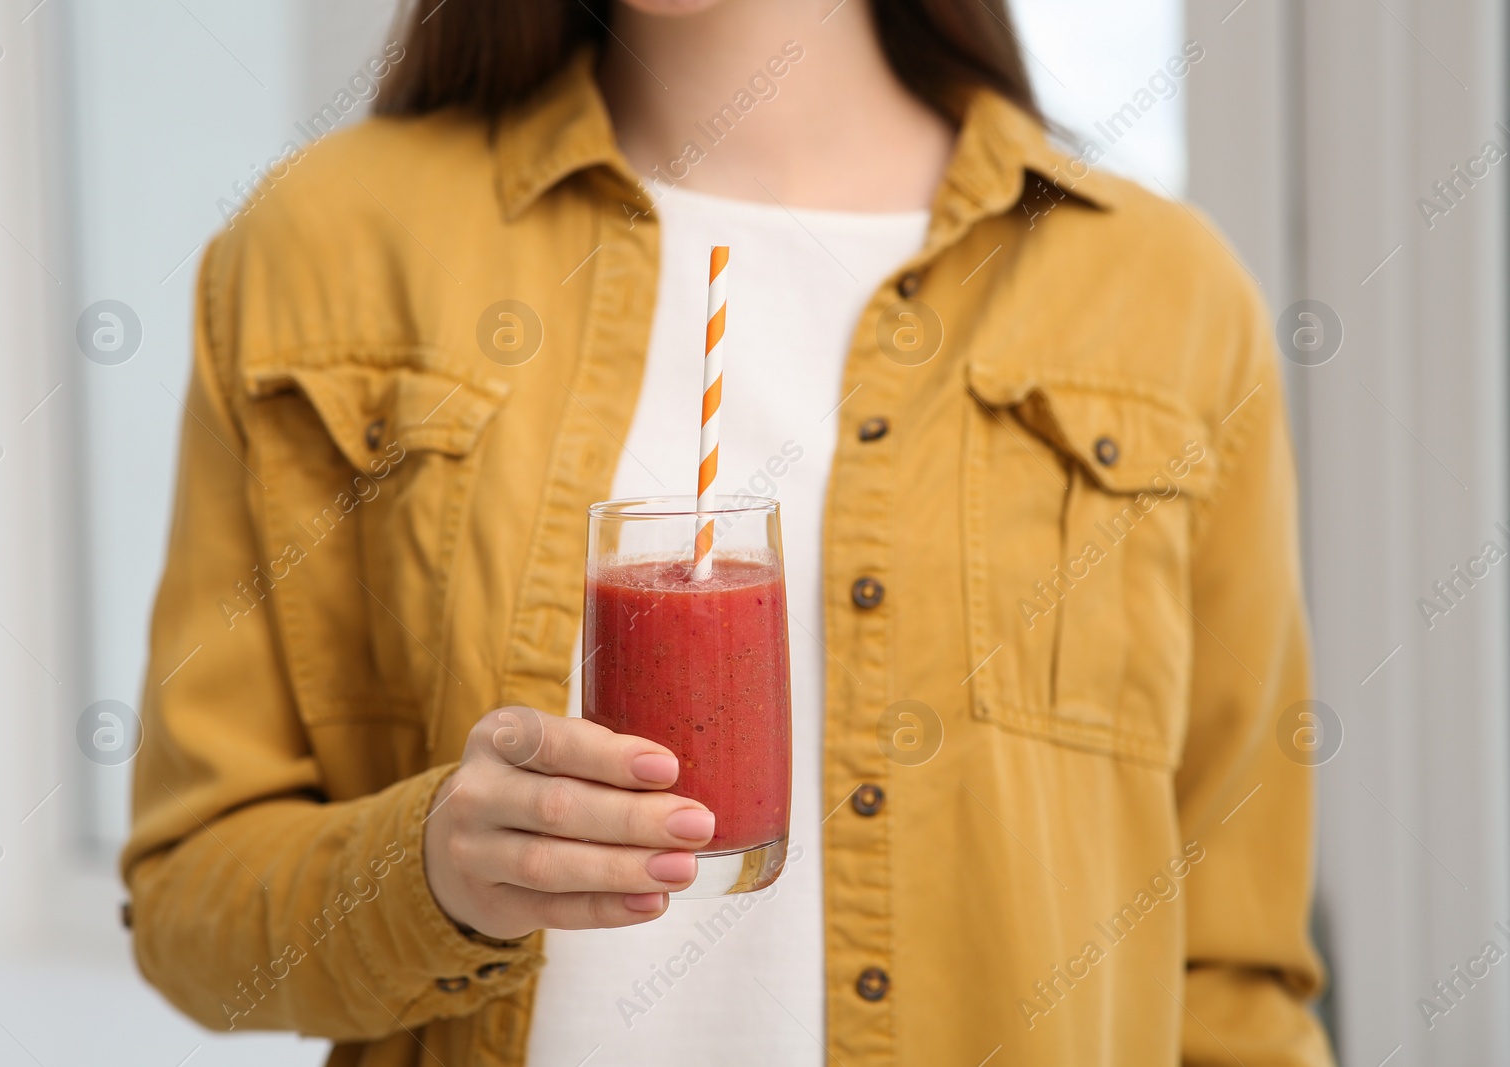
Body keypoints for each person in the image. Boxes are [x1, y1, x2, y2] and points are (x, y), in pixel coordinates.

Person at [123, 0, 1335, 1063]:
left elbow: (1230, 977)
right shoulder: (324, 246)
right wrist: (432, 872)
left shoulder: (1165, 296)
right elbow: (191, 909)